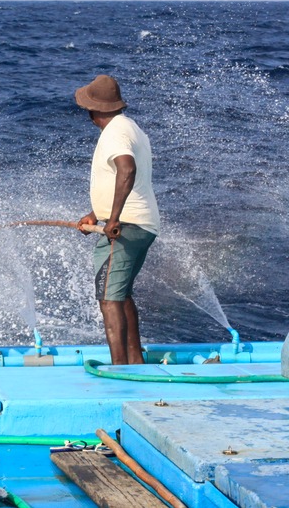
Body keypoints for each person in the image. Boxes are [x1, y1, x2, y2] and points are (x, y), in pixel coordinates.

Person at [74, 75, 160, 365]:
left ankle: (120, 368)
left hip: (125, 228)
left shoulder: (114, 133)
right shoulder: (131, 127)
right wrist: (96, 215)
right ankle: (135, 363)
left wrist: (112, 220)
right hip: (142, 224)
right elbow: (119, 178)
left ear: (94, 110)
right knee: (121, 295)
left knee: (109, 299)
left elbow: (127, 169)